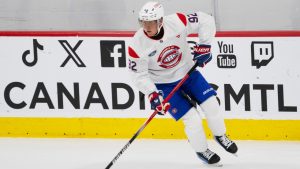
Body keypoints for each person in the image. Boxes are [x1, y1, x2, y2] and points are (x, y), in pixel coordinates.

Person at [128, 1, 238, 165]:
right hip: (162, 84)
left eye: (151, 22)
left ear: (160, 21)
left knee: (212, 104)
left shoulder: (177, 21)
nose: (147, 26)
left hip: (188, 72)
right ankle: (202, 150)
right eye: (143, 22)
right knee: (192, 119)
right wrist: (152, 94)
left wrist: (205, 45)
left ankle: (220, 135)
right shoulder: (137, 45)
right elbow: (138, 75)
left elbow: (205, 19)